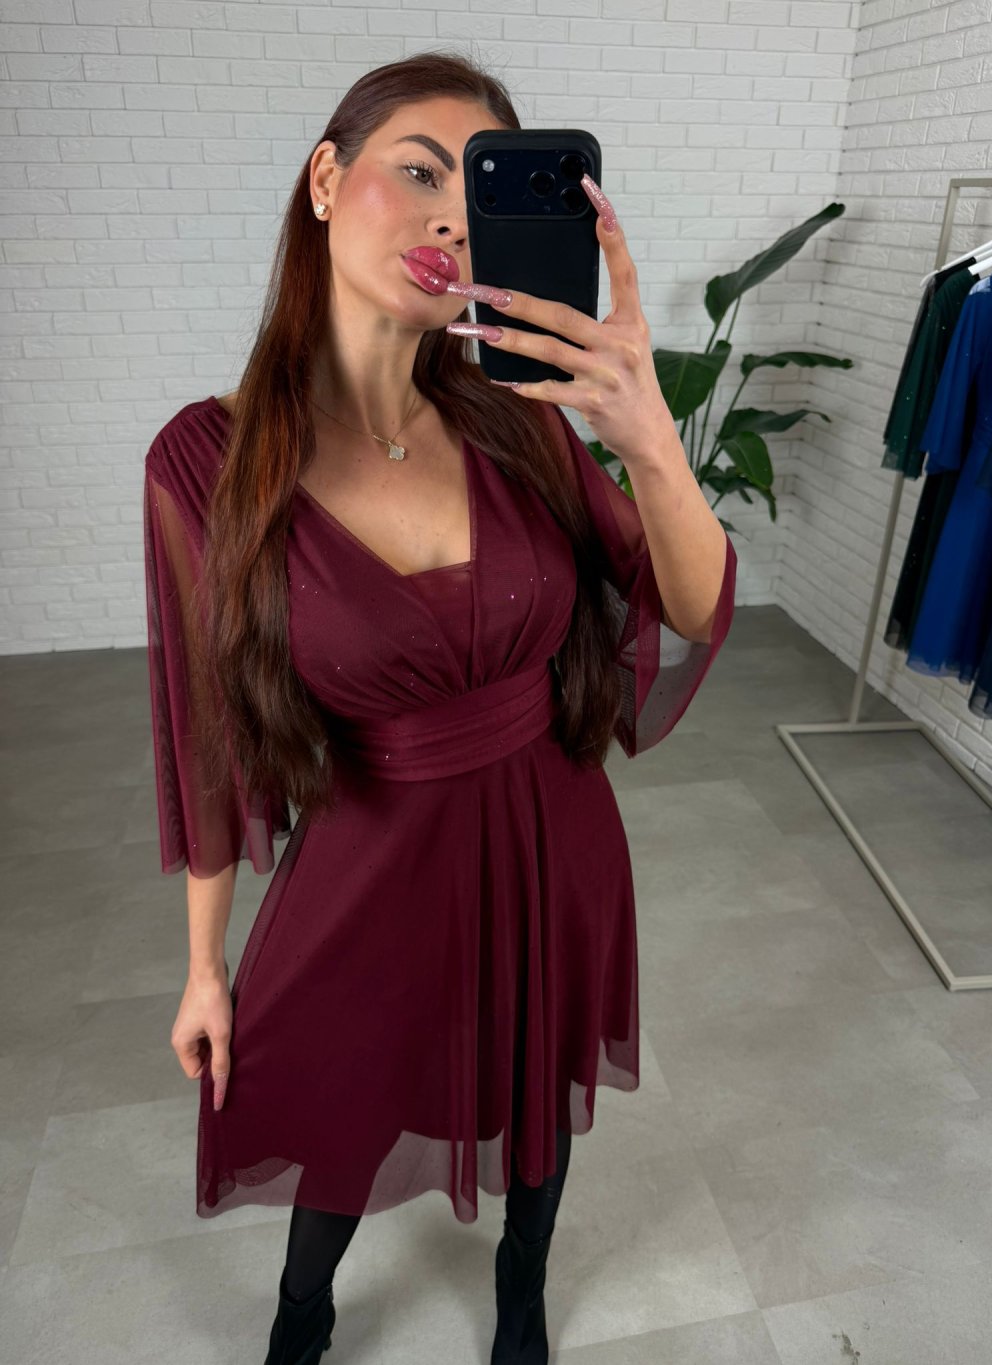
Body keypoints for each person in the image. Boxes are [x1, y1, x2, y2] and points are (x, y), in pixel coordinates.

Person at [142, 51, 736, 1365]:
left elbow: (691, 606)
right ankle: (305, 1309)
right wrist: (203, 966)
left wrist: (646, 434)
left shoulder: (521, 424)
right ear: (324, 178)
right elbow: (205, 735)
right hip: (371, 853)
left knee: (538, 1091)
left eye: (479, 199)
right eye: (420, 171)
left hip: (554, 839)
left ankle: (524, 1286)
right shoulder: (206, 460)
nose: (449, 222)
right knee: (347, 1092)